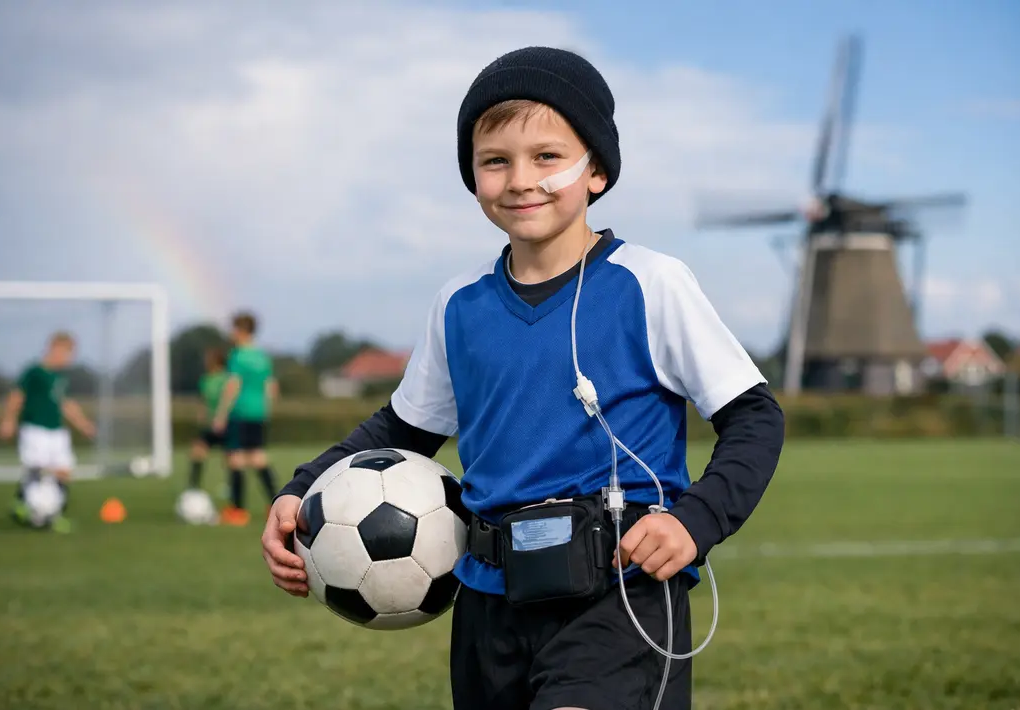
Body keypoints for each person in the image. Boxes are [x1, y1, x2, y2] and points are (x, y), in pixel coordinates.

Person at [261, 46, 785, 710]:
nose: (520, 179)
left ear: (594, 170)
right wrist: (303, 488)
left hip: (617, 596)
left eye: (546, 157)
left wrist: (695, 520)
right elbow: (400, 429)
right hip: (487, 605)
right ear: (472, 175)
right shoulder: (460, 304)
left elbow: (754, 416)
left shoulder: (650, 284)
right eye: (494, 161)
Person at [0, 331, 96, 533]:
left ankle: (42, 509)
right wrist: (8, 420)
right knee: (39, 470)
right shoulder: (34, 372)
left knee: (64, 472)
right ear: (55, 348)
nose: (69, 359)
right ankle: (33, 508)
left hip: (57, 431)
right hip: (35, 428)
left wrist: (83, 423)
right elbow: (16, 396)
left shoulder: (60, 378)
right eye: (67, 353)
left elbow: (65, 404)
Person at [212, 312, 279, 526]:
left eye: (233, 329)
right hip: (258, 412)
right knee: (258, 457)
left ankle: (237, 511)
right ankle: (275, 505)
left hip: (240, 412)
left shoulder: (238, 356)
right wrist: (264, 409)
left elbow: (233, 385)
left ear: (241, 330)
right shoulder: (262, 356)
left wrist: (221, 414)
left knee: (236, 459)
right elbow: (271, 388)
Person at [187, 347, 228, 492]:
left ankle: (231, 490)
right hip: (210, 425)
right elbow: (203, 400)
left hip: (226, 424)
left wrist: (223, 417)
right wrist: (202, 415)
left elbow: (229, 399)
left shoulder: (226, 378)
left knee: (231, 458)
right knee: (197, 451)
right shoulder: (205, 379)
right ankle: (193, 488)